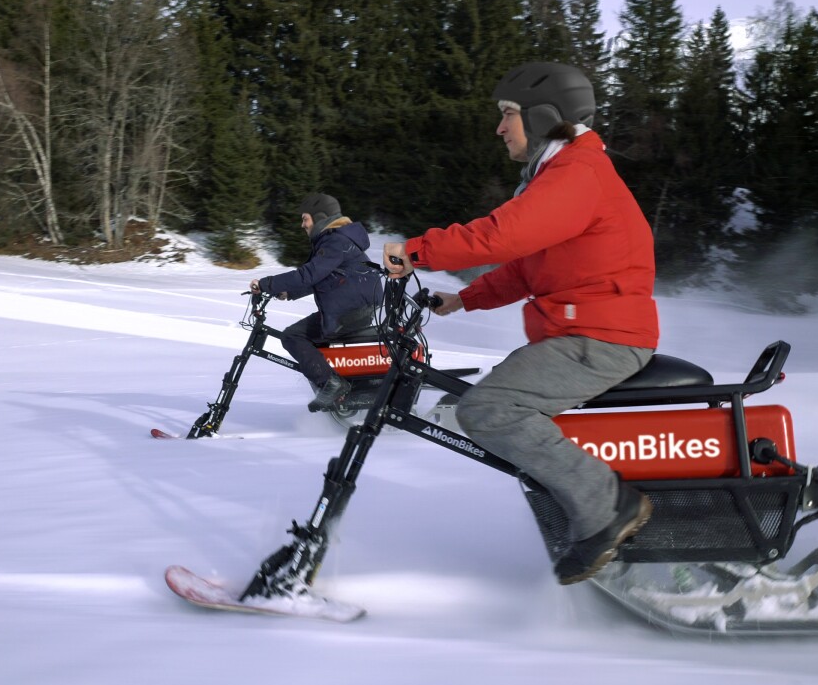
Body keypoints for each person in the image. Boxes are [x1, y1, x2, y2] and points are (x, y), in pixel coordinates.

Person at [382, 61, 660, 585]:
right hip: (581, 332)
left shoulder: (577, 174)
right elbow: (527, 267)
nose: (500, 127)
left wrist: (416, 250)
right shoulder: (564, 173)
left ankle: (607, 507)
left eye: (508, 114)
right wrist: (464, 300)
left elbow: (500, 236)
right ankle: (574, 504)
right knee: (479, 401)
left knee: (489, 409)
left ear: (543, 115)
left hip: (601, 338)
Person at [253, 193, 384, 412]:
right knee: (306, 339)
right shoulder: (340, 239)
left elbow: (308, 274)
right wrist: (289, 292)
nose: (302, 224)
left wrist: (266, 284)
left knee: (292, 336)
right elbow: (323, 278)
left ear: (320, 217)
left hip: (348, 312)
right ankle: (332, 383)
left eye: (305, 218)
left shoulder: (335, 241)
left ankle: (331, 384)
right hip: (355, 309)